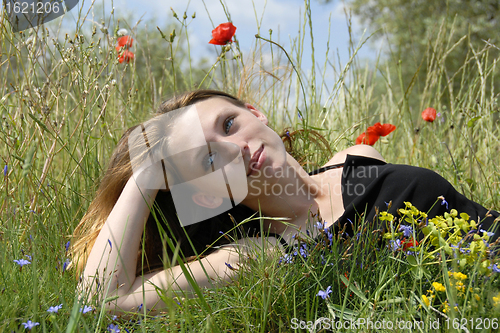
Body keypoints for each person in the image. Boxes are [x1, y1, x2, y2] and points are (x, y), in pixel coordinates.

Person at [70, 89, 499, 313]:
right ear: (205, 194)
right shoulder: (259, 254)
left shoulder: (357, 159)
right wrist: (145, 180)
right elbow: (103, 300)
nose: (234, 147)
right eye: (207, 157)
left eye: (230, 123)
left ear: (257, 113)